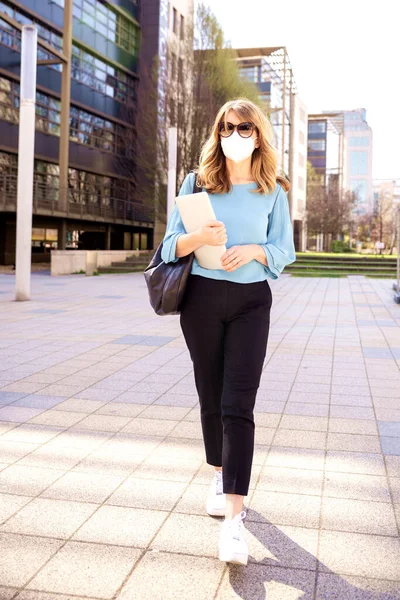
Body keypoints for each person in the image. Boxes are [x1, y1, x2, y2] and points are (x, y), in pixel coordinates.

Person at [161, 98, 296, 565]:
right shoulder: (197, 183)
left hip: (250, 303)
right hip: (199, 299)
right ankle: (219, 472)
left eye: (242, 128)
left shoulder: (273, 189)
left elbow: (285, 250)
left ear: (258, 135)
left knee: (239, 403)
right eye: (225, 127)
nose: (233, 135)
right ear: (216, 132)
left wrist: (256, 250)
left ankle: (235, 522)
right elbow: (169, 245)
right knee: (211, 392)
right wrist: (201, 238)